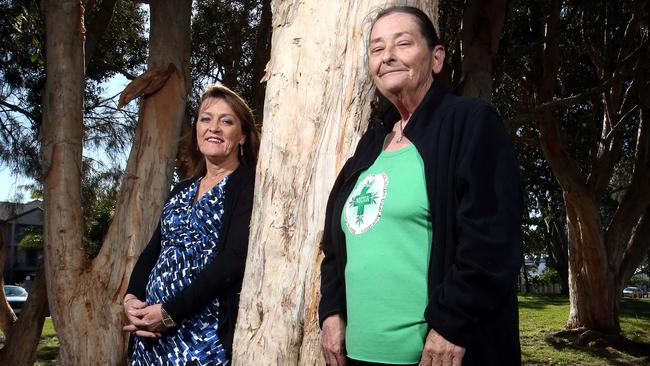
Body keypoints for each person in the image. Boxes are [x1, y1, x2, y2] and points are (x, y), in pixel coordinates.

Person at [319, 6, 523, 366]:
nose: (388, 56)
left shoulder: (470, 123)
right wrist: (332, 311)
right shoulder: (370, 144)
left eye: (403, 43)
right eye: (377, 48)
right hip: (358, 356)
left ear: (437, 58)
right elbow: (334, 245)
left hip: (436, 356)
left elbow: (491, 239)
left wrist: (452, 326)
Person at [123, 84, 260, 365]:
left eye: (227, 121)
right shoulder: (181, 189)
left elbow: (233, 260)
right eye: (206, 118)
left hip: (201, 341)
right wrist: (132, 299)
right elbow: (153, 251)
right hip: (150, 339)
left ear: (243, 135)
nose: (214, 128)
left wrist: (170, 312)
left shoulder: (248, 184)